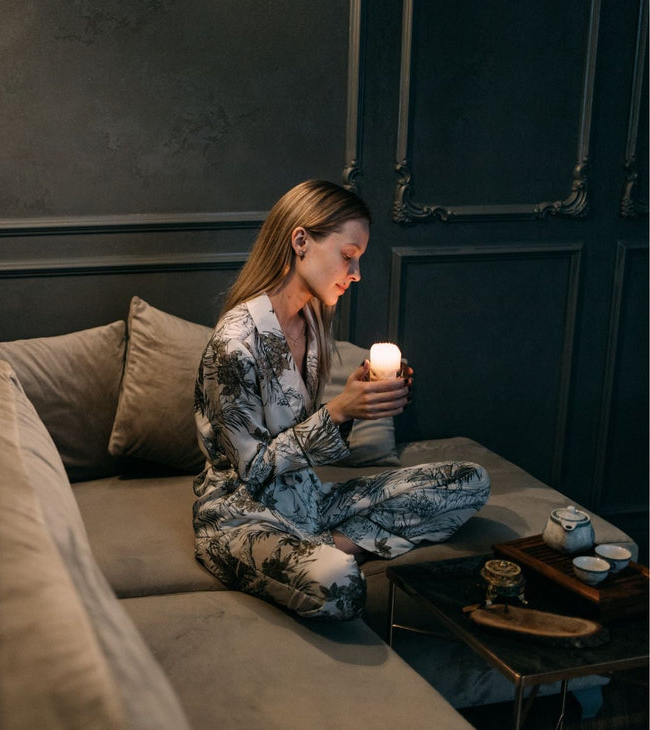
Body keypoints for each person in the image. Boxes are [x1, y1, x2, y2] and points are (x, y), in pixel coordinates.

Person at [192, 179, 490, 621]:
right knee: (338, 582)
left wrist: (358, 400)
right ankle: (328, 552)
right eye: (348, 256)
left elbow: (295, 430)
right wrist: (339, 410)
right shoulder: (234, 345)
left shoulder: (310, 321)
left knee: (469, 481)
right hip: (243, 516)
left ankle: (328, 544)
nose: (356, 274)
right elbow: (251, 470)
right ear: (301, 242)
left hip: (309, 502)